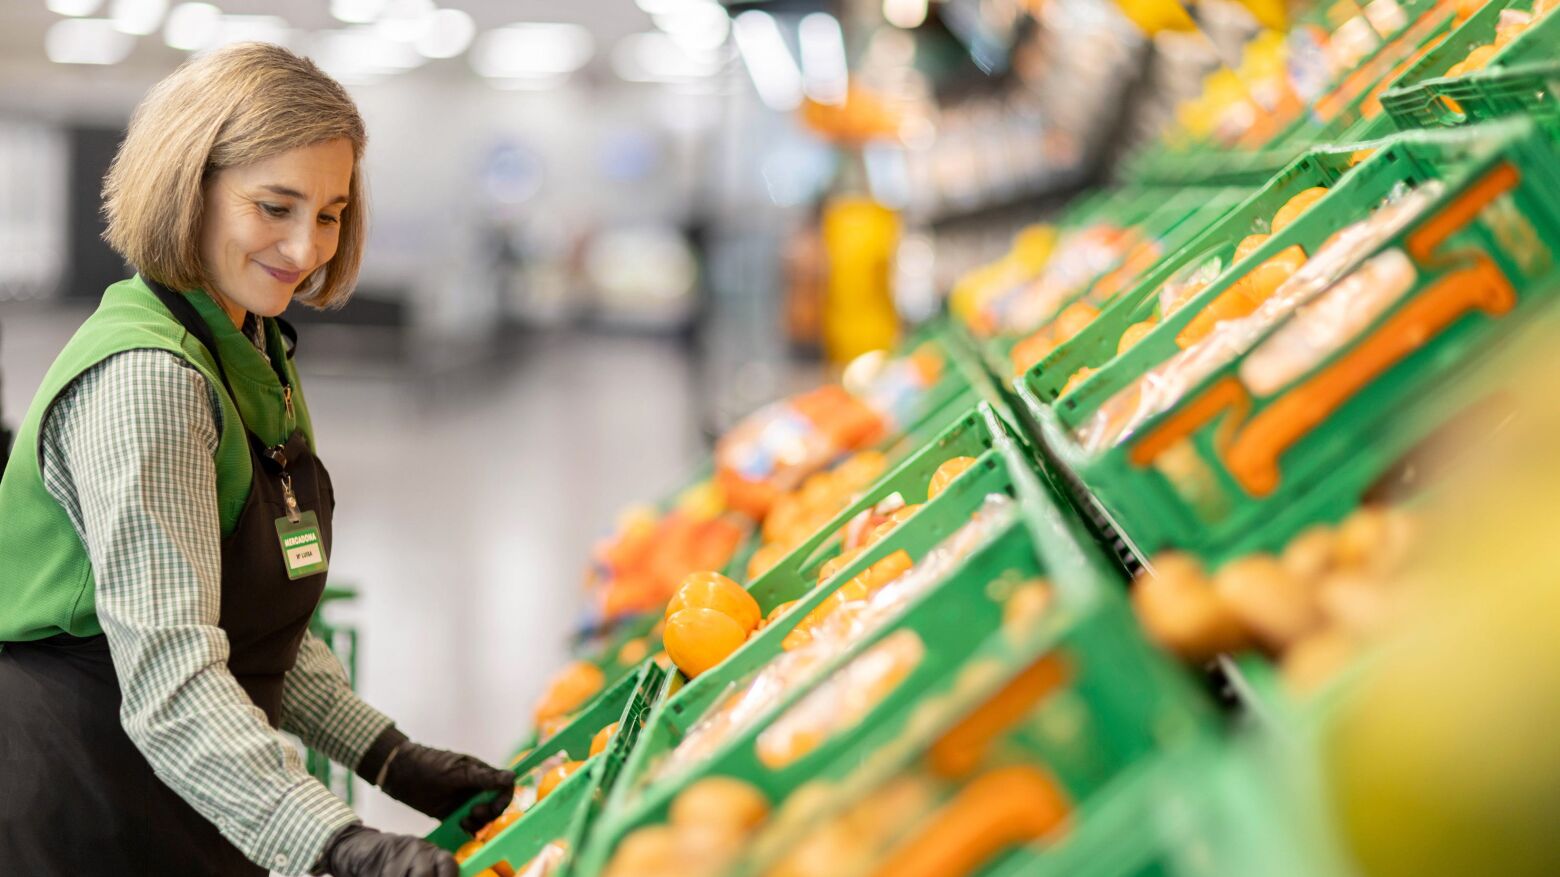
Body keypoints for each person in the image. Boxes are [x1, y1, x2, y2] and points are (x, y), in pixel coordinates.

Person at [0, 43, 513, 877]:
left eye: (330, 213)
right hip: (85, 808)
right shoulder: (150, 380)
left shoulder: (250, 345)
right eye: (275, 206)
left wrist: (390, 755)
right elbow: (171, 676)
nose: (305, 247)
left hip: (195, 795)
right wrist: (336, 841)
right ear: (187, 187)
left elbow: (252, 618)